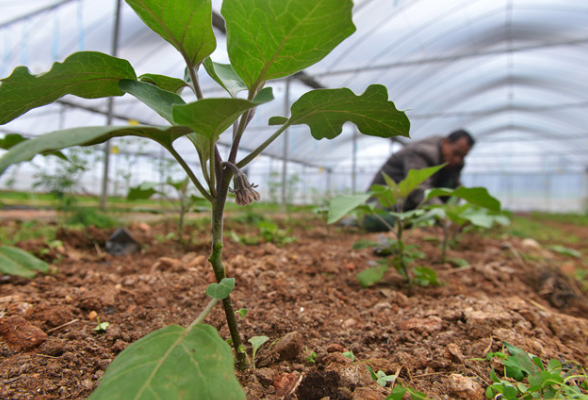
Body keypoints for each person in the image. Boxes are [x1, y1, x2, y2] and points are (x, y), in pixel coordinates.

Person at [365, 129, 475, 231]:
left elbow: (456, 187)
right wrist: (443, 215)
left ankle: (425, 222)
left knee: (450, 182)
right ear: (446, 142)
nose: (457, 160)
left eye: (463, 156)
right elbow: (419, 189)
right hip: (387, 202)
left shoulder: (456, 164)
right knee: (381, 221)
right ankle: (358, 221)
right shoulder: (421, 152)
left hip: (411, 206)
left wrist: (458, 215)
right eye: (456, 153)